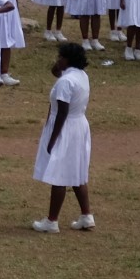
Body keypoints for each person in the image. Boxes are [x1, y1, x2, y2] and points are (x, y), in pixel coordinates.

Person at [32, 41, 93, 232]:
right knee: (77, 171)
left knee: (59, 174)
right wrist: (58, 67)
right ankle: (86, 215)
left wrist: (53, 139)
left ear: (67, 59)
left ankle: (51, 221)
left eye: (60, 57)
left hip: (65, 127)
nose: (57, 60)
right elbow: (55, 72)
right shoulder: (81, 75)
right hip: (79, 125)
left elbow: (61, 112)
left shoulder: (65, 82)